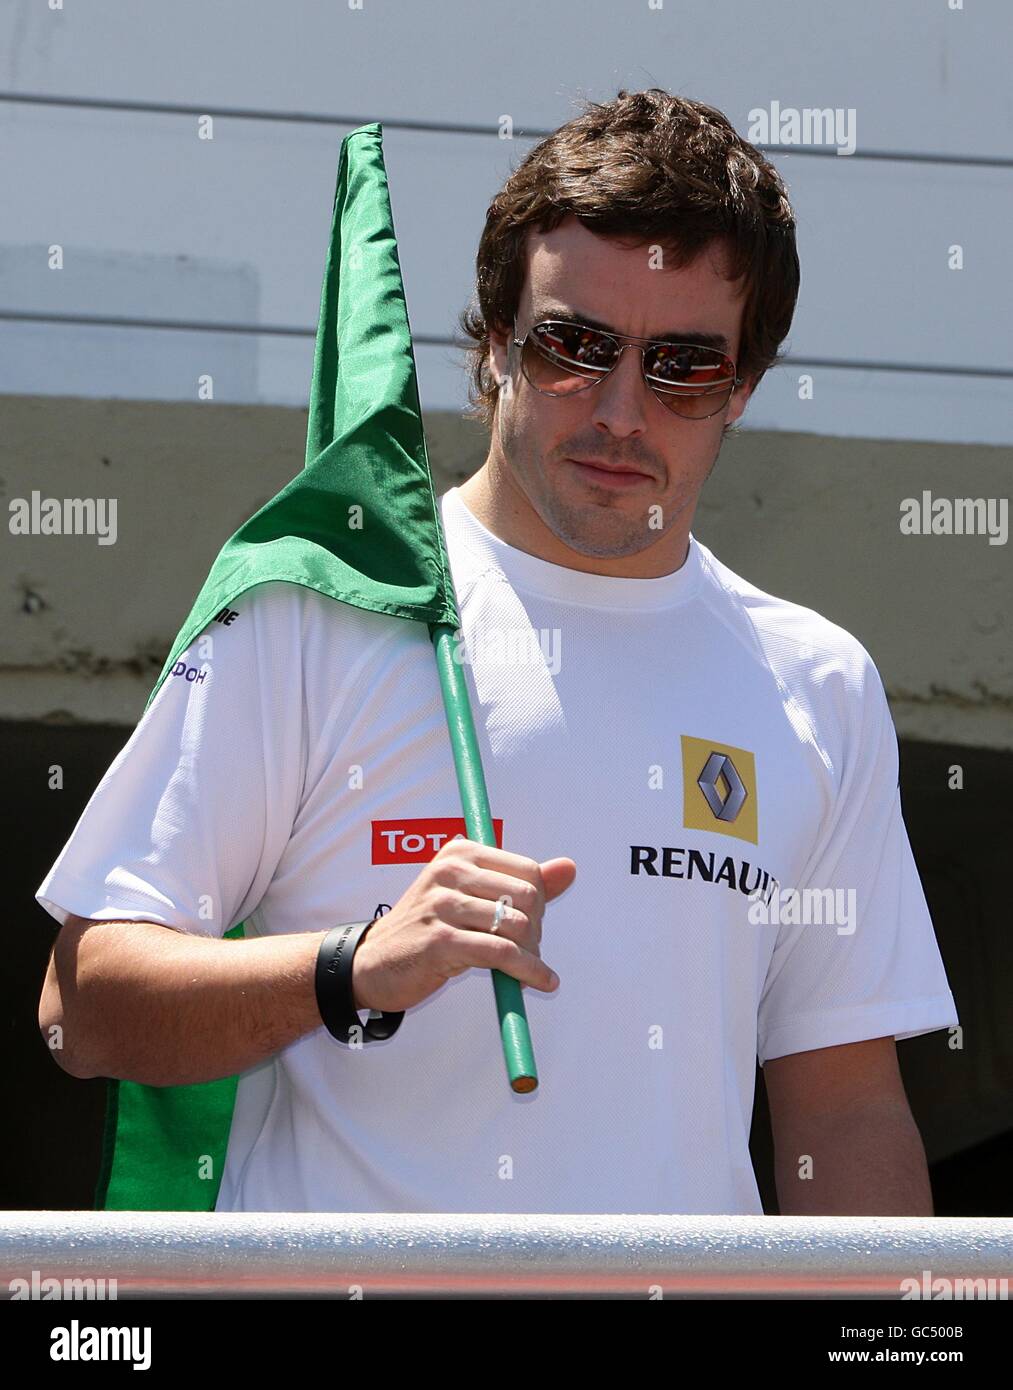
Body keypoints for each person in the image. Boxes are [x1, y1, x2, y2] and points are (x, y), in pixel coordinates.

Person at [36, 88, 958, 1216]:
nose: (622, 409)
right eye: (573, 346)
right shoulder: (321, 610)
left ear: (742, 390)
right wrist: (348, 968)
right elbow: (84, 1008)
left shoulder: (818, 681)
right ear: (489, 351)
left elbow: (844, 1107)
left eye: (682, 366)